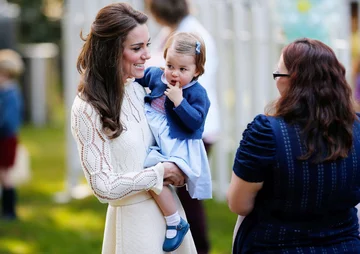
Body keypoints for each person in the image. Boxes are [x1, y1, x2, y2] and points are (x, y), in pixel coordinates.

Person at [70, 3, 197, 253]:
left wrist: (179, 165)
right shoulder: (86, 108)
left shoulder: (139, 90)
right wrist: (160, 172)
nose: (147, 55)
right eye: (136, 48)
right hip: (134, 226)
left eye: (147, 45)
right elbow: (103, 187)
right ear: (111, 51)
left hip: (170, 216)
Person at [227, 38, 360, 253]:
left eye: (278, 74)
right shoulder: (357, 129)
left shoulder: (266, 133)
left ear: (294, 81)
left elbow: (238, 204)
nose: (276, 81)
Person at [145, 1, 220, 252]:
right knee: (166, 189)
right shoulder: (171, 33)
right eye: (170, 67)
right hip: (169, 133)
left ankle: (198, 248)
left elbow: (194, 95)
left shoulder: (193, 37)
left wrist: (177, 101)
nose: (173, 72)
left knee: (187, 198)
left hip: (190, 134)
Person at [0, 49, 24, 220]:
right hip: (5, 137)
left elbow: (8, 120)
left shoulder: (10, 94)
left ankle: (9, 211)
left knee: (5, 174)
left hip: (6, 139)